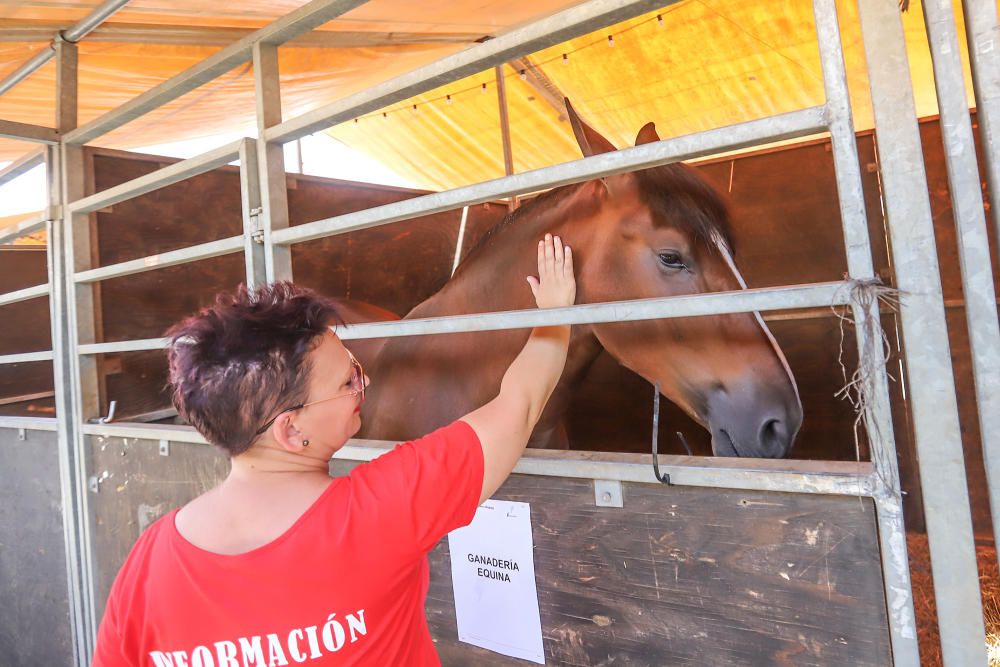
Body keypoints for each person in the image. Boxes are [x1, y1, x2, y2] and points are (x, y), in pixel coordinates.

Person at [92, 234, 575, 666]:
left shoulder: (149, 562)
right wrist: (556, 315)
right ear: (290, 430)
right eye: (348, 381)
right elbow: (520, 405)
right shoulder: (381, 510)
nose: (363, 385)